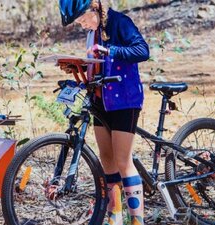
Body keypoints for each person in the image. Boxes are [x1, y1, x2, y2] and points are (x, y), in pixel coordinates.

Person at [58, 0, 150, 225]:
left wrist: (110, 50)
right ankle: (114, 219)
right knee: (107, 160)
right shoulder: (94, 31)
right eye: (78, 22)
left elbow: (142, 50)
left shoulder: (120, 23)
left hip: (124, 100)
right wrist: (76, 67)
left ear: (95, 8)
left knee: (122, 160)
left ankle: (137, 222)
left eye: (82, 19)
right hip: (100, 100)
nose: (82, 25)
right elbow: (97, 63)